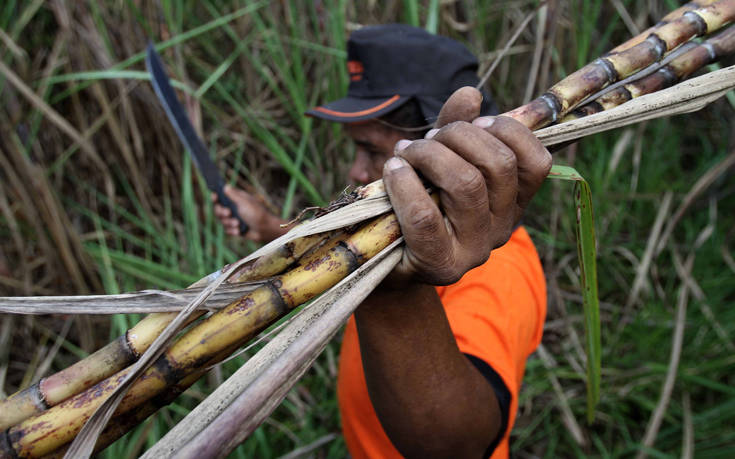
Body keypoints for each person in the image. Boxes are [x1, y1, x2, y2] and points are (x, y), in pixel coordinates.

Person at [214, 24, 550, 458]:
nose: (356, 171)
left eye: (372, 151)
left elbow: (458, 447)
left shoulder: (497, 270)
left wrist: (393, 294)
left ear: (449, 151)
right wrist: (266, 228)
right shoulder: (391, 245)